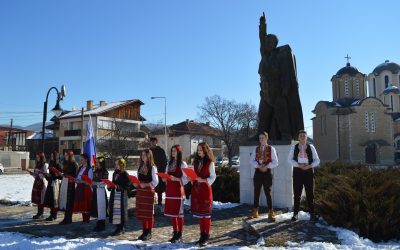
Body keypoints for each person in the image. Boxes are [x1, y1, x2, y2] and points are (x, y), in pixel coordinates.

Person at [257, 13, 304, 142]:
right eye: (266, 41)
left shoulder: (279, 57)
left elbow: (287, 74)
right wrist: (262, 26)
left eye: (269, 41)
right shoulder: (264, 56)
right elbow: (261, 39)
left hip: (277, 91)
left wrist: (285, 89)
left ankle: (286, 136)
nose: (266, 43)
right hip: (265, 93)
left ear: (274, 44)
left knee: (281, 115)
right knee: (263, 116)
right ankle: (259, 135)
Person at [288, 130, 320, 222]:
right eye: (301, 136)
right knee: (297, 193)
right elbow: (289, 160)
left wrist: (309, 166)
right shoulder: (294, 147)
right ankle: (295, 214)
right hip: (297, 171)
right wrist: (298, 165)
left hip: (308, 171)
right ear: (298, 138)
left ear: (306, 137)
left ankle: (312, 213)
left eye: (304, 136)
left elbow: (317, 160)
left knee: (310, 193)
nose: (302, 137)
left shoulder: (311, 147)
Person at [189, 142, 216, 247]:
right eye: (198, 150)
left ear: (205, 150)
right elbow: (194, 174)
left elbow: (213, 177)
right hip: (196, 190)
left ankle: (206, 236)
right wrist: (192, 179)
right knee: (200, 215)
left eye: (201, 150)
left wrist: (203, 180)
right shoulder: (195, 162)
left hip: (205, 190)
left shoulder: (210, 162)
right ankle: (202, 235)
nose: (199, 151)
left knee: (206, 215)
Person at [249, 131, 279, 221]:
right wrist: (258, 166)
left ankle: (270, 211)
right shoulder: (256, 149)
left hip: (267, 172)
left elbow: (276, 162)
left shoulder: (271, 148)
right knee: (256, 191)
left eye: (263, 138)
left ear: (266, 138)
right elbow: (251, 160)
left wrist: (266, 166)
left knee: (267, 192)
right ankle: (255, 211)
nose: (261, 139)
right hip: (258, 172)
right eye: (260, 138)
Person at [163, 145, 188, 243]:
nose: (173, 153)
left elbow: (185, 179)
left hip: (178, 190)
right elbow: (166, 174)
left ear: (179, 152)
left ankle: (180, 233)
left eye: (175, 151)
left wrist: (176, 179)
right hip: (170, 190)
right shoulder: (169, 163)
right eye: (172, 151)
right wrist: (165, 178)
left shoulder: (182, 164)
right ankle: (175, 232)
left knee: (179, 214)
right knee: (173, 213)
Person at [135, 149, 159, 241]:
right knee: (143, 212)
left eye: (144, 155)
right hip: (141, 192)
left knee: (149, 213)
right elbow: (138, 178)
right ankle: (144, 231)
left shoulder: (152, 167)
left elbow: (156, 181)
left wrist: (146, 184)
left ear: (149, 156)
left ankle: (149, 232)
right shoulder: (140, 166)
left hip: (148, 192)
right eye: (142, 155)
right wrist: (136, 183)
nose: (143, 157)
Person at [109, 159, 130, 236]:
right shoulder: (115, 173)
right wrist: (109, 186)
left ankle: (121, 228)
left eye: (117, 164)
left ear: (122, 165)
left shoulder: (125, 174)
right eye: (116, 164)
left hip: (121, 195)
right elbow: (113, 183)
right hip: (114, 194)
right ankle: (117, 227)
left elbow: (127, 186)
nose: (116, 165)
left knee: (121, 211)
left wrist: (118, 187)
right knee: (115, 210)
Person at [59, 150, 78, 224]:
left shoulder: (74, 164)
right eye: (65, 155)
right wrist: (62, 174)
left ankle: (69, 218)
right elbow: (65, 172)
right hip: (64, 182)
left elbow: (75, 175)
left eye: (67, 155)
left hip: (70, 184)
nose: (65, 156)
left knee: (69, 201)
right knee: (64, 200)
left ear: (70, 156)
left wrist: (68, 175)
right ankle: (65, 217)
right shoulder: (65, 163)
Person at [73, 153, 93, 223]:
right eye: (80, 159)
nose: (80, 161)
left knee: (86, 203)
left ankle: (87, 219)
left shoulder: (89, 169)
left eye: (82, 159)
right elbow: (77, 177)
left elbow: (90, 181)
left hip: (86, 188)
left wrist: (81, 181)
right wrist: (75, 180)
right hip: (79, 187)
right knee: (81, 203)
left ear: (86, 160)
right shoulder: (80, 168)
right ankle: (84, 219)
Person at [91, 155, 109, 231]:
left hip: (101, 191)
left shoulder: (105, 171)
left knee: (101, 207)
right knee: (97, 207)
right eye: (96, 162)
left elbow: (105, 182)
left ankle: (102, 224)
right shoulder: (95, 171)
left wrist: (97, 184)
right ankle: (99, 222)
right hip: (95, 191)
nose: (97, 164)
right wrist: (92, 183)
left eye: (98, 162)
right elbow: (93, 180)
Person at [149, 137, 167, 213]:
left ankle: (159, 203)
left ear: (156, 142)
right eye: (151, 141)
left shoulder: (161, 151)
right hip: (150, 171)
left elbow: (164, 161)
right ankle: (151, 202)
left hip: (159, 171)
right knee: (151, 187)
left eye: (154, 141)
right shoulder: (149, 151)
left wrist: (162, 171)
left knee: (159, 188)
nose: (153, 143)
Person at [43, 150, 63, 221]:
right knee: (50, 199)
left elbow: (61, 176)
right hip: (50, 182)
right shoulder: (51, 163)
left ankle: (54, 215)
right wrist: (47, 175)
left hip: (55, 183)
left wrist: (55, 174)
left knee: (54, 199)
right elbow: (51, 175)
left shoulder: (58, 164)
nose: (51, 157)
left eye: (52, 156)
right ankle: (51, 214)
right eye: (50, 156)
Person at [31, 152, 49, 219]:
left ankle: (41, 213)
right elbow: (36, 174)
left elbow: (46, 174)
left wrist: (41, 174)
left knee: (41, 198)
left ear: (41, 157)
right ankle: (39, 213)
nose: (37, 158)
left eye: (38, 157)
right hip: (37, 182)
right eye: (36, 157)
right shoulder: (37, 164)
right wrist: (33, 174)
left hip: (42, 182)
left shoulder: (45, 165)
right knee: (38, 198)